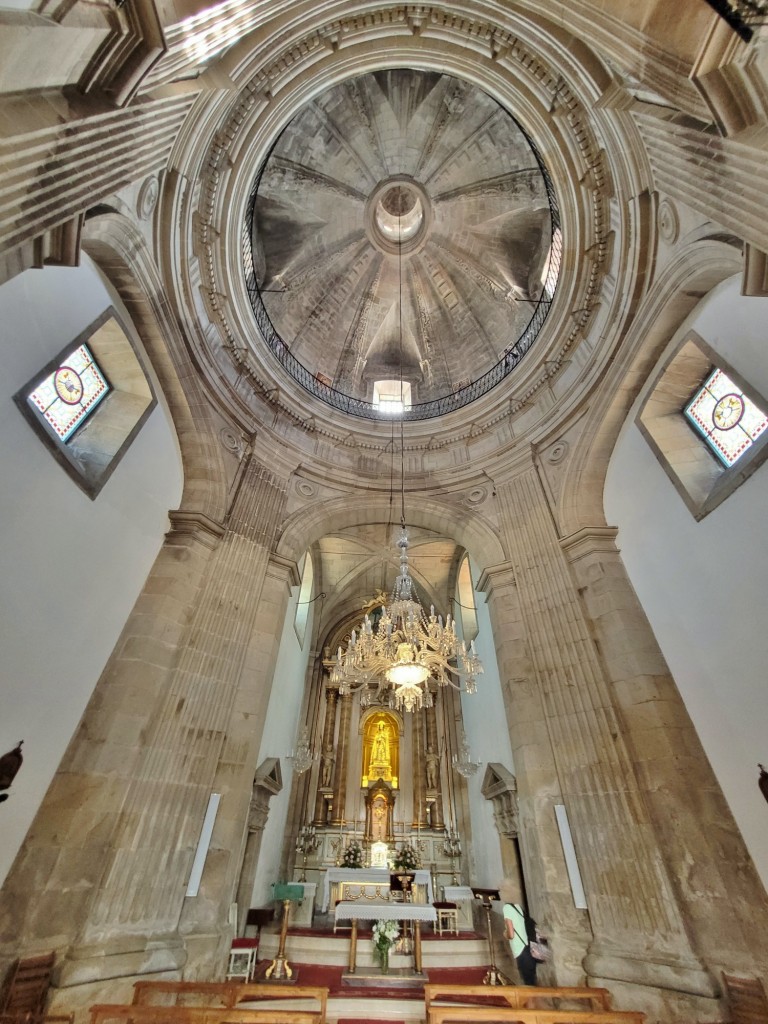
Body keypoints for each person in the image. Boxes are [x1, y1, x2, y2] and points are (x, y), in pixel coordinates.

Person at [500, 878, 545, 986]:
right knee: (531, 979)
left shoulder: (507, 908)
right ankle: (533, 1002)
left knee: (527, 982)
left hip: (520, 949)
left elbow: (511, 934)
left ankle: (531, 1002)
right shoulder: (517, 907)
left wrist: (505, 934)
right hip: (528, 947)